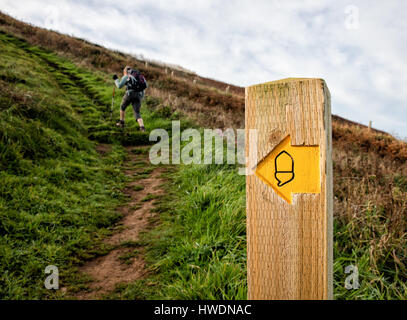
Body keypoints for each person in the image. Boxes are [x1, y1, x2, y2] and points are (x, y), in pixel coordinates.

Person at [113, 66, 147, 131]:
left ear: (125, 71)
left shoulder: (126, 76)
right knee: (137, 112)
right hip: (139, 95)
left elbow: (119, 86)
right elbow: (145, 86)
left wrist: (116, 80)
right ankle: (142, 128)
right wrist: (140, 97)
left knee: (122, 107)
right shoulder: (138, 76)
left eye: (123, 72)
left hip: (130, 94)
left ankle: (121, 123)